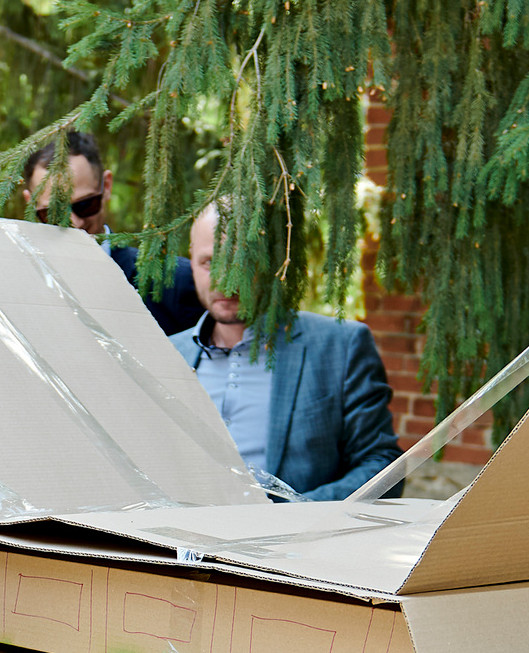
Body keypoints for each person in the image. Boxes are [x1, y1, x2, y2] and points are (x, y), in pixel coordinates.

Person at [167, 201, 402, 500]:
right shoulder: (166, 354)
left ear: (273, 261)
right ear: (191, 260)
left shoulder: (340, 347)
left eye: (242, 261)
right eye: (209, 262)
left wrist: (293, 515)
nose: (225, 280)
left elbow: (383, 469)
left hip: (297, 529)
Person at [21, 128, 206, 336]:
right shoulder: (18, 288)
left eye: (85, 205)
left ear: (106, 186)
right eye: (54, 212)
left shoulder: (175, 283)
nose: (74, 222)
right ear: (30, 203)